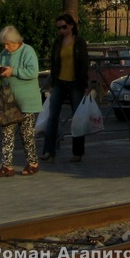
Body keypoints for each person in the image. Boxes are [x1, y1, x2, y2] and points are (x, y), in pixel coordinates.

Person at [0, 26, 42, 177]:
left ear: (16, 41)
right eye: (4, 44)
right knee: (6, 132)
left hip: (26, 101)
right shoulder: (3, 53)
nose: (6, 47)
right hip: (9, 101)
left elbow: (33, 72)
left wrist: (13, 71)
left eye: (8, 44)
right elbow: (1, 72)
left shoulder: (28, 51)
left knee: (26, 134)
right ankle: (7, 166)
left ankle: (33, 162)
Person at [40, 14, 89, 163]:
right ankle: (49, 150)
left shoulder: (79, 43)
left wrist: (85, 84)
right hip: (59, 82)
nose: (61, 30)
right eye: (59, 28)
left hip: (75, 83)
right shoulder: (57, 43)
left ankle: (77, 152)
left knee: (77, 117)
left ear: (71, 26)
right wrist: (52, 83)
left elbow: (83, 64)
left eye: (64, 27)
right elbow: (54, 63)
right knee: (52, 116)